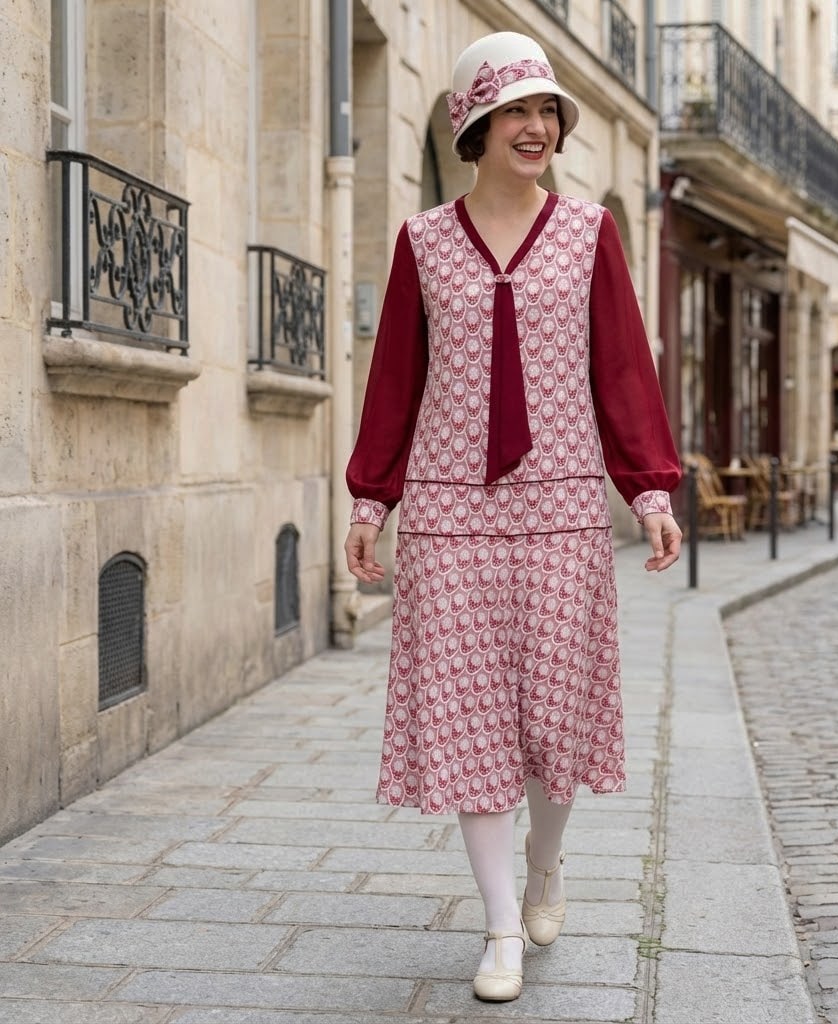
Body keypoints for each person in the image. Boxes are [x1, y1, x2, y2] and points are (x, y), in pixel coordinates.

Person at [344, 30, 682, 1003]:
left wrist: (648, 488)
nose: (536, 128)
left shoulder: (588, 235)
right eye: (517, 112)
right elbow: (395, 379)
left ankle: (545, 862)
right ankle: (498, 927)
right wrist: (373, 496)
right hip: (450, 516)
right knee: (469, 726)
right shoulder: (422, 242)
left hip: (564, 509)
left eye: (547, 112)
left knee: (555, 724)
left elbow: (621, 368)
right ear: (476, 127)